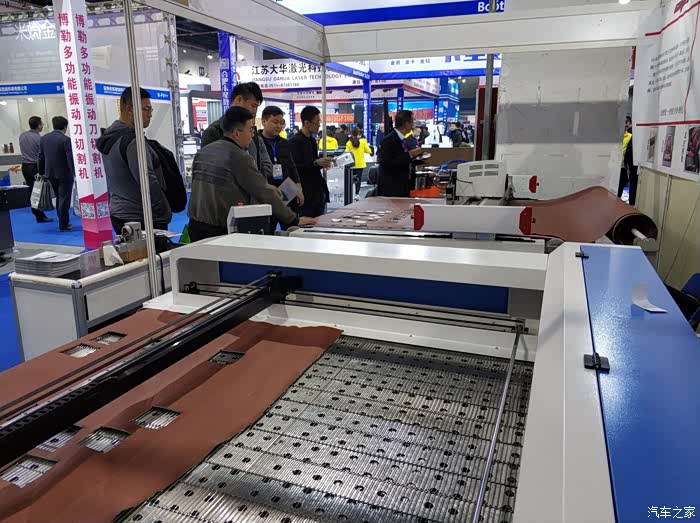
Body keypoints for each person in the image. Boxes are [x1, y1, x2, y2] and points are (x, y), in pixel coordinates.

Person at [187, 106, 316, 241]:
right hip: (220, 229)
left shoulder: (204, 151)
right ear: (236, 133)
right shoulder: (239, 156)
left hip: (195, 225)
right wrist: (293, 220)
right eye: (250, 130)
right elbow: (263, 192)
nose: (252, 135)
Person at [97, 87, 172, 233]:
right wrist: (163, 210)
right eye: (146, 109)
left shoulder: (111, 137)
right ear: (130, 109)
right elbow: (147, 180)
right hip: (141, 217)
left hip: (120, 212)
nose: (150, 114)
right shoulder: (133, 142)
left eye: (151, 109)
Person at [200, 82, 273, 182]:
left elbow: (263, 165)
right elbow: (210, 173)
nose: (254, 111)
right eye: (253, 105)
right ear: (239, 100)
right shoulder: (214, 132)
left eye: (257, 107)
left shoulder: (254, 134)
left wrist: (255, 180)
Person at [290, 106, 334, 217]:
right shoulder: (295, 141)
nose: (319, 125)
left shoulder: (313, 141)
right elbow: (294, 168)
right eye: (317, 122)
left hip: (317, 192)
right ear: (307, 123)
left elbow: (313, 163)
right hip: (304, 193)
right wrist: (315, 163)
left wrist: (322, 162)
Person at [259, 105, 304, 210]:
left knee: (290, 218)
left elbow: (292, 166)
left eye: (281, 123)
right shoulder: (255, 142)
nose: (279, 126)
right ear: (264, 121)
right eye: (275, 122)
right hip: (267, 190)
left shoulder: (284, 143)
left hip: (286, 189)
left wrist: (298, 186)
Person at [38, 116, 75, 231]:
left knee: (59, 198)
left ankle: (62, 221)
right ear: (65, 126)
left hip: (49, 173)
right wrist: (74, 173)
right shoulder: (65, 140)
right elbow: (70, 158)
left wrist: (41, 172)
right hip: (64, 174)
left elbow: (40, 157)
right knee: (64, 199)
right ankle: (63, 224)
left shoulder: (44, 138)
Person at [377, 110, 423, 197]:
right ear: (406, 124)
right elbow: (387, 162)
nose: (413, 125)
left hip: (402, 187)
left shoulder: (402, 139)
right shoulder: (389, 140)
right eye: (412, 122)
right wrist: (410, 154)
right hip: (391, 189)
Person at [18, 116, 51, 223]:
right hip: (34, 167)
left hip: (25, 166)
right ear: (38, 125)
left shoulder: (22, 135)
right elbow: (42, 155)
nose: (42, 126)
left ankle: (37, 213)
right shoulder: (39, 138)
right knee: (39, 191)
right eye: (42, 124)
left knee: (31, 190)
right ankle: (39, 215)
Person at [345, 128, 372, 200]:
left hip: (351, 164)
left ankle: (350, 193)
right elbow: (369, 151)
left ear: (351, 134)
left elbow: (346, 153)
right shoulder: (363, 141)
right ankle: (356, 194)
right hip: (360, 164)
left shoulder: (348, 143)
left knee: (350, 180)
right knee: (358, 180)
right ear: (359, 134)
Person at [618, 116, 639, 206]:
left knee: (621, 186)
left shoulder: (630, 136)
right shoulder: (616, 137)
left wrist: (627, 164)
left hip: (623, 167)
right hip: (615, 166)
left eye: (625, 125)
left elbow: (628, 152)